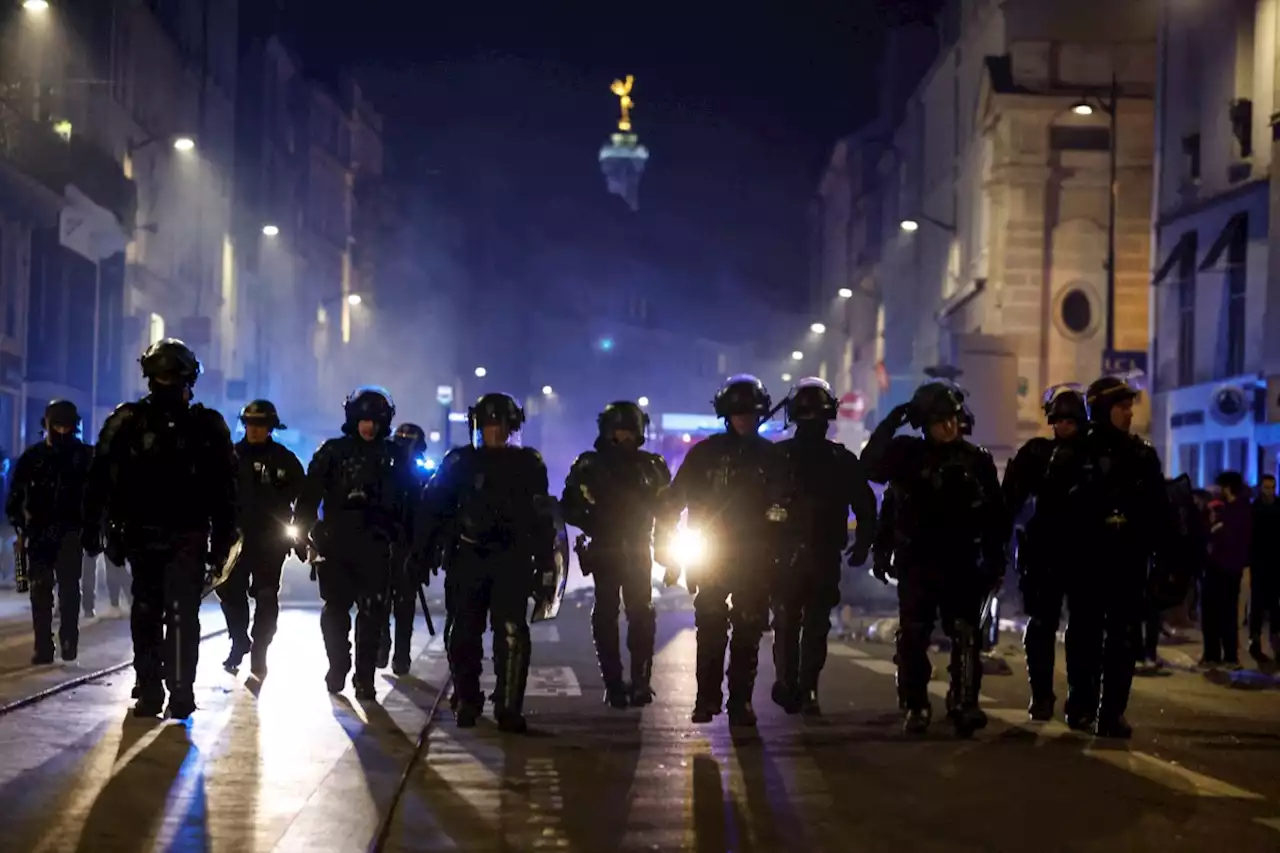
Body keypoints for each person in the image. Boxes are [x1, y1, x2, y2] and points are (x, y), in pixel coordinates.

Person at [82, 339, 238, 718]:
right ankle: (154, 687)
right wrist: (96, 525)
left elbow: (224, 488)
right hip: (144, 531)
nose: (169, 384)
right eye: (162, 376)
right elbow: (100, 476)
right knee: (151, 610)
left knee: (176, 611)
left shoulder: (205, 425)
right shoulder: (129, 422)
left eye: (174, 376)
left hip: (185, 532)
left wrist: (223, 537)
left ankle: (177, 690)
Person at [862, 381, 1007, 736]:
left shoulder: (977, 460)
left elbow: (994, 515)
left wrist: (995, 558)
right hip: (918, 559)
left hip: (962, 560)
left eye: (953, 419)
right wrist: (892, 421)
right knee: (913, 634)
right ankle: (916, 704)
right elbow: (871, 469)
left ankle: (964, 703)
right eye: (940, 420)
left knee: (966, 634)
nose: (949, 426)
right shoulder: (906, 454)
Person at [656, 375, 792, 726]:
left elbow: (787, 506)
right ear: (726, 414)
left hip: (755, 554)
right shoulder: (705, 453)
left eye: (751, 412)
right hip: (712, 549)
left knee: (748, 628)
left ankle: (741, 702)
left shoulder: (772, 457)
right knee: (711, 624)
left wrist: (781, 543)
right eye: (738, 412)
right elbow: (675, 497)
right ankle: (706, 699)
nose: (744, 418)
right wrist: (664, 544)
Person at [417, 392, 556, 732]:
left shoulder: (529, 463)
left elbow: (541, 517)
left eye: (501, 425)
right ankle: (467, 697)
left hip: (512, 558)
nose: (494, 432)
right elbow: (433, 507)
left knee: (511, 631)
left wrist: (547, 563)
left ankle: (509, 706)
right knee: (462, 632)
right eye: (488, 425)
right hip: (467, 556)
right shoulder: (458, 462)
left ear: (512, 427)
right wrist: (421, 552)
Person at [1041, 375, 1169, 737]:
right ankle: (1081, 704)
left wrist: (1164, 558)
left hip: (1128, 562)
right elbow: (1049, 511)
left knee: (1124, 638)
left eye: (1130, 407)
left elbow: (1159, 510)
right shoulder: (1073, 453)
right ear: (1100, 409)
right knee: (1084, 635)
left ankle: (1112, 711)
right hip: (1085, 562)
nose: (1129, 413)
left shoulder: (1141, 455)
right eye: (1121, 407)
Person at [294, 387, 411, 700]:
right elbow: (309, 495)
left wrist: (410, 540)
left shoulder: (395, 457)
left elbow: (411, 502)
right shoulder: (332, 452)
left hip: (376, 544)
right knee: (335, 610)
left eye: (375, 420)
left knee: (373, 612)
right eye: (363, 419)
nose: (368, 426)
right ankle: (338, 663)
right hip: (335, 545)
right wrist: (301, 529)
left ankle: (365, 676)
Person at [772, 377, 877, 716]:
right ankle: (799, 686)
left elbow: (864, 505)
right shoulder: (832, 458)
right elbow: (865, 505)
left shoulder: (783, 456)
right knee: (802, 624)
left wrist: (862, 541)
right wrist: (861, 541)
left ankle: (798, 686)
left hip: (810, 553)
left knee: (798, 623)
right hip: (796, 553)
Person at [562, 400, 671, 708]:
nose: (624, 439)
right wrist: (588, 516)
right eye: (619, 432)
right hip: (605, 545)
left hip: (639, 545)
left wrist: (666, 547)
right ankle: (613, 682)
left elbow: (668, 510)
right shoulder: (589, 465)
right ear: (608, 432)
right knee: (606, 614)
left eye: (629, 432)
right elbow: (569, 505)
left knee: (641, 612)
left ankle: (640, 682)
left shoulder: (652, 466)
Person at [1002, 384, 1087, 720]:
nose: (1064, 426)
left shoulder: (1094, 454)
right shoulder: (1038, 453)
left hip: (1081, 551)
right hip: (1044, 550)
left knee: (1083, 630)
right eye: (1059, 420)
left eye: (1071, 420)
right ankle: (1042, 695)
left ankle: (1080, 700)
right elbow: (1011, 498)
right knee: (1041, 626)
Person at [219, 399, 304, 677]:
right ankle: (239, 640)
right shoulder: (229, 457)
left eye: (261, 425)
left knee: (267, 597)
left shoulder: (285, 460)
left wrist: (302, 532)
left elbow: (305, 497)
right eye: (250, 424)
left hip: (270, 541)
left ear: (270, 427)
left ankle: (261, 650)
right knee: (231, 594)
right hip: (235, 539)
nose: (254, 430)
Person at [5, 400, 94, 664]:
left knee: (68, 590)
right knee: (41, 591)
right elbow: (15, 496)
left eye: (67, 426)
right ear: (47, 425)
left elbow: (97, 496)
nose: (63, 431)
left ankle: (68, 639)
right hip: (40, 531)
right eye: (58, 425)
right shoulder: (33, 458)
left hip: (70, 531)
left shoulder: (84, 457)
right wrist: (20, 525)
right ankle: (43, 645)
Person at [379, 421, 432, 674]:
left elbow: (430, 513)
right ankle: (383, 644)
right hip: (383, 542)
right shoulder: (383, 468)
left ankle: (401, 653)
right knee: (379, 599)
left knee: (405, 603)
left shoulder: (423, 474)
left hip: (410, 546)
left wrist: (426, 552)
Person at [1202, 470, 1251, 669]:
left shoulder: (1233, 511)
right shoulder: (1241, 509)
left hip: (1222, 568)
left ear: (1227, 487)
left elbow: (1224, 537)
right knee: (1226, 613)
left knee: (1218, 613)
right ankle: (1225, 655)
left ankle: (1218, 656)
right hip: (1230, 568)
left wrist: (1214, 531)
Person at [1249, 473, 1280, 664]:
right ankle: (1256, 643)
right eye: (1267, 487)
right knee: (1258, 605)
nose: (1270, 491)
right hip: (1259, 563)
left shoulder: (1278, 506)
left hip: (1276, 563)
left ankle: (1276, 643)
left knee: (1275, 607)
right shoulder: (1256, 508)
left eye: (1272, 487)